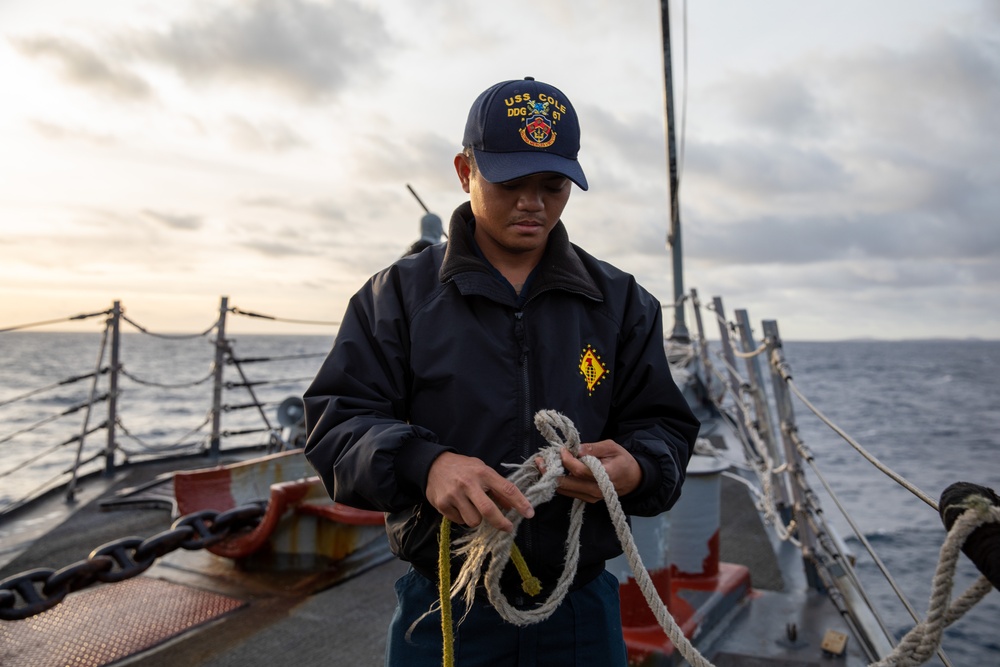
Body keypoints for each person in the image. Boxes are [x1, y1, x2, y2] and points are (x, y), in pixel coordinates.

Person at [303, 77, 700, 667]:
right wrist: (426, 463)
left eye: (553, 184)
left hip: (580, 608)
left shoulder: (622, 303)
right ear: (465, 170)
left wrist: (636, 469)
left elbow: (663, 428)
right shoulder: (396, 298)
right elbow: (336, 426)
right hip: (443, 602)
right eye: (511, 181)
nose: (533, 202)